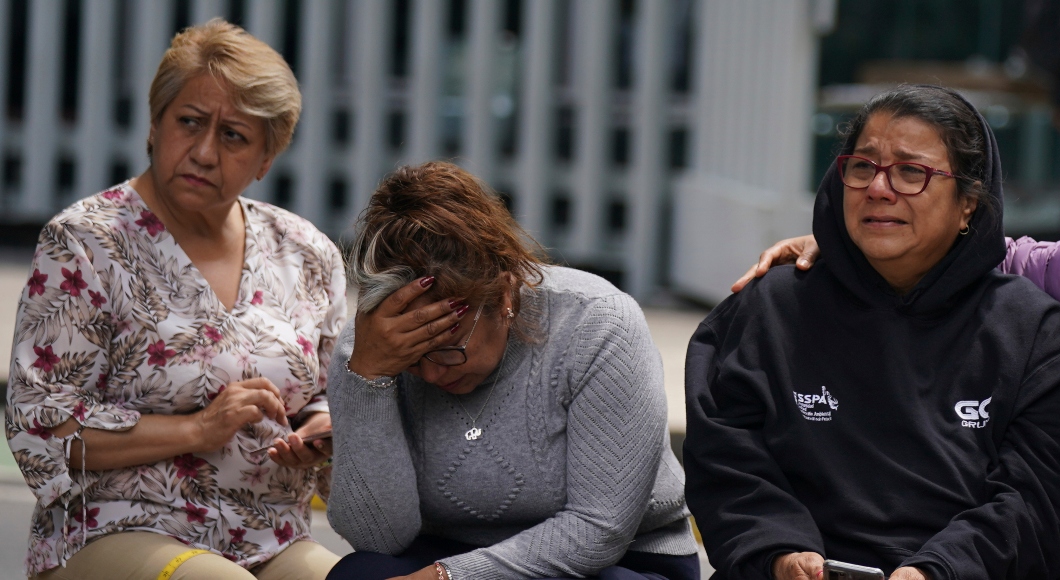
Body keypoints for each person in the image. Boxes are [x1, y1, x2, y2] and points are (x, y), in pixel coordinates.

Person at [684, 85, 1060, 579]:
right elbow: (726, 461)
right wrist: (778, 551)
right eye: (863, 167)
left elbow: (1037, 500)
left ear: (968, 204)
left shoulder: (1031, 332)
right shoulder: (767, 310)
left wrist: (937, 570)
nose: (879, 188)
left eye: (911, 172)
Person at [5, 19, 346, 579]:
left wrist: (318, 430)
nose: (205, 152)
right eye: (189, 123)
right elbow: (38, 423)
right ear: (155, 126)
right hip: (119, 525)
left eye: (234, 136)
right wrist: (197, 429)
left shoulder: (307, 253)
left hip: (271, 532)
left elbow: (330, 394)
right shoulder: (87, 243)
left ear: (266, 159)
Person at [323, 161, 700, 580]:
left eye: (449, 349)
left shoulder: (596, 324)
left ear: (504, 295)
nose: (430, 375)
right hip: (438, 552)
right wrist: (369, 377)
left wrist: (451, 577)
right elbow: (378, 540)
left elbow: (601, 528)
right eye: (411, 358)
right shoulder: (369, 349)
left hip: (617, 563)